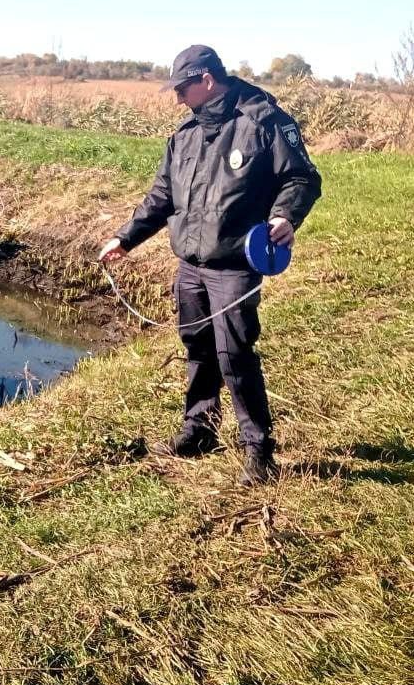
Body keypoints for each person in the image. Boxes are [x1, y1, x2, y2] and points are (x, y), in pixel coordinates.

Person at [98, 45, 322, 486]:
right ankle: (199, 429)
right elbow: (162, 197)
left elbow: (302, 177)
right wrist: (126, 239)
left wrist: (285, 216)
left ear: (205, 80)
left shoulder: (263, 122)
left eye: (183, 88)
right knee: (197, 347)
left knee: (234, 353)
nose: (177, 98)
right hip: (191, 265)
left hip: (235, 264)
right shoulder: (183, 136)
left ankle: (258, 448)